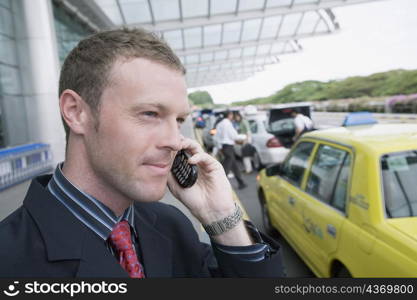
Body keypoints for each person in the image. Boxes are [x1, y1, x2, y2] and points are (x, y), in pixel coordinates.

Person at [0, 28, 284, 278]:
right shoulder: (9, 260)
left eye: (179, 120)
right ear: (77, 113)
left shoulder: (172, 226)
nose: (175, 140)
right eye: (150, 113)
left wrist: (221, 218)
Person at [215, 111, 248, 190]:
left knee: (234, 166)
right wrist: (244, 137)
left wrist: (219, 147)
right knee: (226, 168)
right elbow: (234, 136)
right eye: (232, 115)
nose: (233, 116)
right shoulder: (228, 124)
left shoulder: (220, 124)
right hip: (228, 146)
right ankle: (219, 185)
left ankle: (241, 183)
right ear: (229, 115)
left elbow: (217, 137)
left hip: (224, 146)